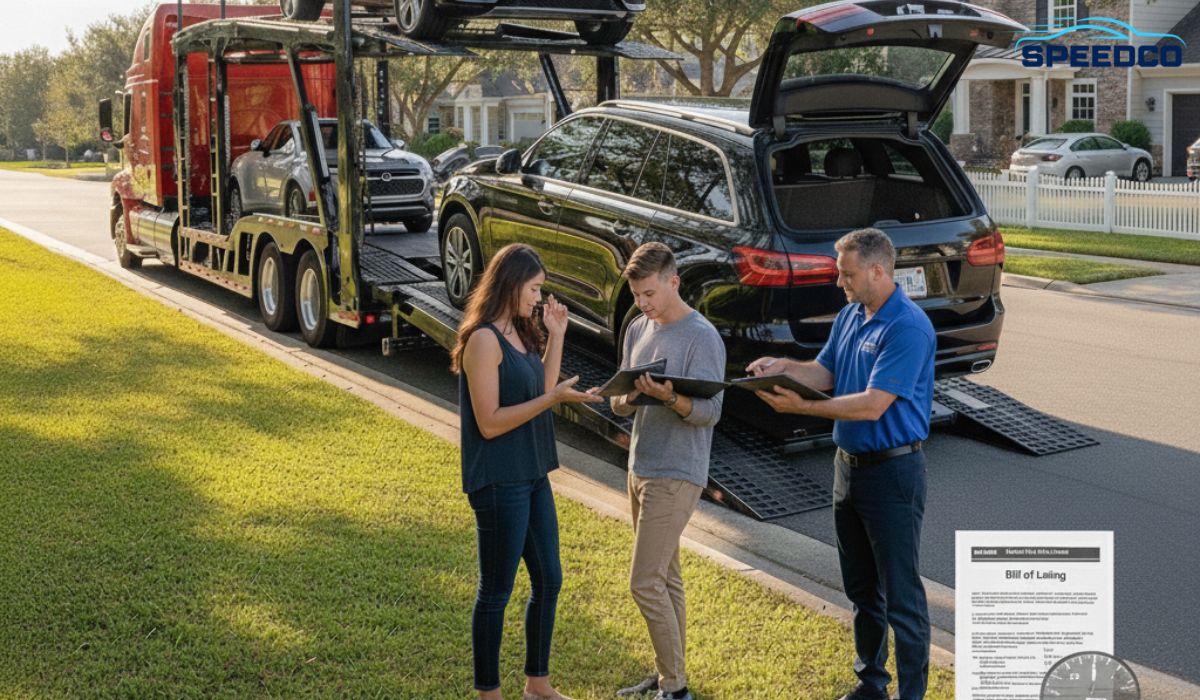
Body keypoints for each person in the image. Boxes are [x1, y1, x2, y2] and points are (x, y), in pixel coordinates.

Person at [747, 228, 935, 700]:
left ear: (877, 270)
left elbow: (873, 404)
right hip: (847, 470)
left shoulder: (906, 327)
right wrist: (783, 366)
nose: (839, 282)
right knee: (861, 590)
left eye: (847, 274)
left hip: (893, 473)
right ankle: (870, 685)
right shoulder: (852, 314)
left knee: (902, 600)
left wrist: (802, 410)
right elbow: (825, 372)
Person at [452, 243, 602, 700]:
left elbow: (541, 387)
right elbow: (491, 421)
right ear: (513, 283)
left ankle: (537, 684)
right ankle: (488, 693)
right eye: (535, 288)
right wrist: (552, 400)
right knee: (496, 590)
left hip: (533, 472)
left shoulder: (520, 332)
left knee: (549, 578)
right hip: (499, 480)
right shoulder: (482, 340)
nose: (540, 298)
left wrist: (556, 334)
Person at [610, 242, 725, 700]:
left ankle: (674, 690)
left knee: (644, 583)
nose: (643, 304)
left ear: (674, 282)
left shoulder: (702, 336)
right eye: (637, 295)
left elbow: (711, 412)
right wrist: (632, 396)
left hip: (678, 472)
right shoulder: (639, 326)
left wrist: (669, 399)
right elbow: (617, 402)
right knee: (667, 578)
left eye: (650, 294)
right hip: (640, 464)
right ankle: (668, 676)